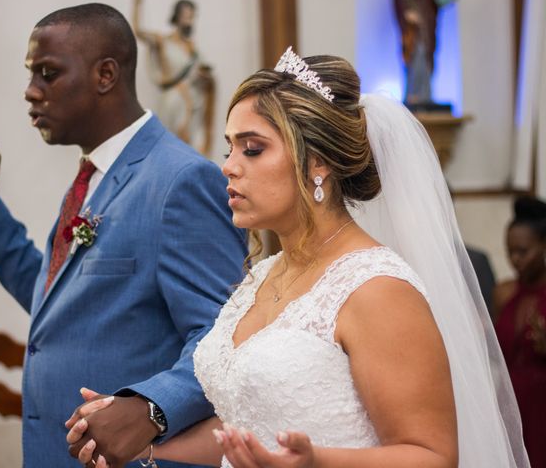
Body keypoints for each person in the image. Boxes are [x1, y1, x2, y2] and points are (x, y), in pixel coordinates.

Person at [69, 47, 529, 467]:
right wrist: (145, 444)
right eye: (229, 148)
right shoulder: (264, 276)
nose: (228, 165)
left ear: (318, 163)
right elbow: (245, 428)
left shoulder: (377, 288)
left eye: (252, 149)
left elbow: (432, 455)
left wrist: (317, 463)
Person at [0, 3, 247, 467]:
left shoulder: (179, 180)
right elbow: (58, 306)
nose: (31, 91)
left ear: (105, 74)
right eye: (31, 74)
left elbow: (225, 335)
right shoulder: (94, 178)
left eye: (47, 73)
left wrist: (151, 406)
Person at [131, 0, 215, 156]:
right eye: (186, 16)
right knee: (171, 149)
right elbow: (138, 31)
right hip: (173, 101)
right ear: (177, 17)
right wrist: (137, 2)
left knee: (191, 150)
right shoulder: (163, 41)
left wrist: (204, 77)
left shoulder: (192, 47)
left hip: (193, 101)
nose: (189, 21)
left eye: (192, 16)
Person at [494, 196, 546, 468]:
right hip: (509, 402)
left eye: (523, 251)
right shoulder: (504, 292)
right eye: (510, 251)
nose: (515, 259)